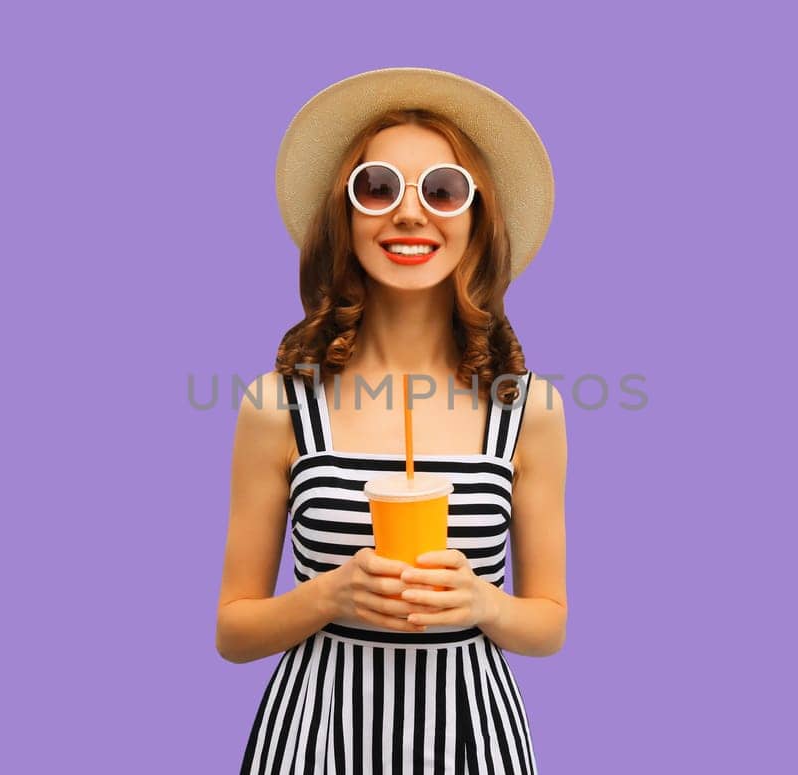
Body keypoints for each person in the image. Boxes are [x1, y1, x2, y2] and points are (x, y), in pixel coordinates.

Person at [216, 67, 567, 775]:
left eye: (441, 190)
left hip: (473, 739)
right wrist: (329, 593)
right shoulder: (278, 404)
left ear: (475, 219)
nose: (409, 214)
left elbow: (549, 618)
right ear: (346, 218)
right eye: (377, 187)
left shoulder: (529, 409)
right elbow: (234, 627)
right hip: (313, 739)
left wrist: (482, 603)